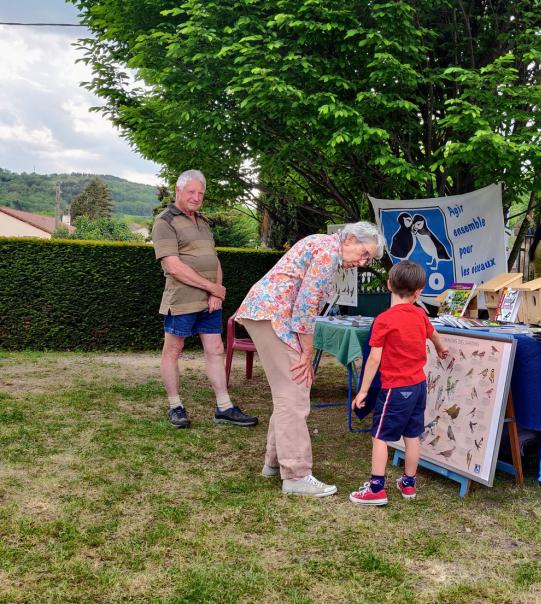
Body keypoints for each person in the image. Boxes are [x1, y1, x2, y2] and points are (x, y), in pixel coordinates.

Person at [235, 222, 385, 497]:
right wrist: (306, 353)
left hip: (268, 314)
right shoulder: (329, 253)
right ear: (350, 238)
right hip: (273, 315)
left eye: (369, 259)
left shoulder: (325, 247)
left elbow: (306, 305)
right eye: (365, 254)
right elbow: (305, 307)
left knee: (288, 392)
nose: (364, 263)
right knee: (294, 393)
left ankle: (273, 463)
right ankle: (296, 475)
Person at [152, 170, 258, 429]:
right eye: (191, 192)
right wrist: (213, 287)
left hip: (209, 301)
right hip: (182, 300)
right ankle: (175, 406)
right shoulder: (164, 221)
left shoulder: (202, 221)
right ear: (177, 191)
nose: (196, 197)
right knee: (173, 351)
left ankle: (224, 407)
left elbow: (214, 259)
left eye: (200, 193)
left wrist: (215, 292)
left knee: (216, 350)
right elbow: (173, 266)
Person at [349, 261, 448, 505]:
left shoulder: (384, 320)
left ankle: (376, 489)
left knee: (380, 436)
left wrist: (363, 391)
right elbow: (433, 334)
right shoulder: (420, 314)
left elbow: (374, 358)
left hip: (395, 388)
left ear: (389, 285)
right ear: (419, 292)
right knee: (412, 435)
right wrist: (441, 348)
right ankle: (408, 484)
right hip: (418, 386)